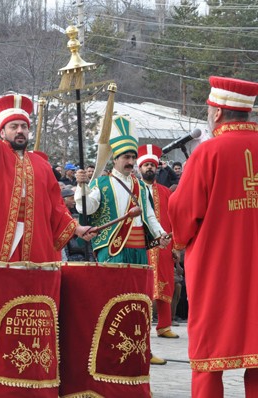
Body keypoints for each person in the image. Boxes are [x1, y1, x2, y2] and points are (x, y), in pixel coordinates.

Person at [168, 76, 258, 397]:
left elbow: (182, 214)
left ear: (217, 113)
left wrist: (177, 239)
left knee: (208, 362)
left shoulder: (206, 155)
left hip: (217, 274)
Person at [75, 115, 172, 366]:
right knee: (112, 299)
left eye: (132, 158)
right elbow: (87, 206)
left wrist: (160, 234)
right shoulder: (102, 183)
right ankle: (109, 349)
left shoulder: (140, 186)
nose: (130, 162)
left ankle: (143, 349)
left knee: (141, 300)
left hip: (139, 250)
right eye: (126, 158)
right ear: (115, 159)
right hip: (113, 249)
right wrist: (82, 187)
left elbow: (149, 215)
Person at [0, 94, 93, 262]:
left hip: (36, 238)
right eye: (13, 126)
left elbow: (56, 205)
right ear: (2, 132)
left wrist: (77, 229)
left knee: (34, 287)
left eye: (24, 126)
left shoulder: (42, 165)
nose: (20, 130)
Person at [137, 144, 179, 339]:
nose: (149, 168)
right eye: (146, 165)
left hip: (164, 245)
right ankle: (140, 326)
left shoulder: (165, 191)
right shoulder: (133, 189)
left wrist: (176, 245)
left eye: (152, 165)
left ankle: (164, 325)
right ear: (139, 168)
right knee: (141, 286)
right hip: (139, 245)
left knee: (165, 284)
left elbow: (174, 219)